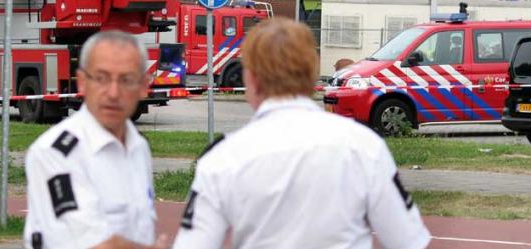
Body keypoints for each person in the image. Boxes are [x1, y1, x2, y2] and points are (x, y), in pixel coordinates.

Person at [172, 18, 431, 249]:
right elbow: (408, 240)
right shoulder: (364, 147)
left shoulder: (223, 158)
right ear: (312, 74)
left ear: (250, 79)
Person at [23, 31, 167, 249]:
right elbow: (91, 244)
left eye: (127, 80)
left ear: (144, 86)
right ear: (81, 82)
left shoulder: (138, 146)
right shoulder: (54, 153)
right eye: (101, 78)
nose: (113, 92)